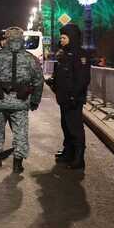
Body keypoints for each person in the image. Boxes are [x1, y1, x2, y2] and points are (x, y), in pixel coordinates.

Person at [0, 27, 44, 173]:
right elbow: (38, 81)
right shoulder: (30, 58)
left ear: (7, 39)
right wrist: (35, 100)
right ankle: (18, 163)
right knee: (20, 131)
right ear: (22, 39)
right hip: (20, 102)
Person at [46, 23, 90, 169]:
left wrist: (73, 96)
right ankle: (68, 151)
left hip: (73, 99)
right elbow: (62, 74)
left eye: (64, 37)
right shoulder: (64, 53)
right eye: (61, 37)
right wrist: (53, 82)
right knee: (66, 126)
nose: (62, 40)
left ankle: (79, 158)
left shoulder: (80, 54)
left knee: (75, 128)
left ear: (72, 37)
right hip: (64, 98)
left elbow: (82, 79)